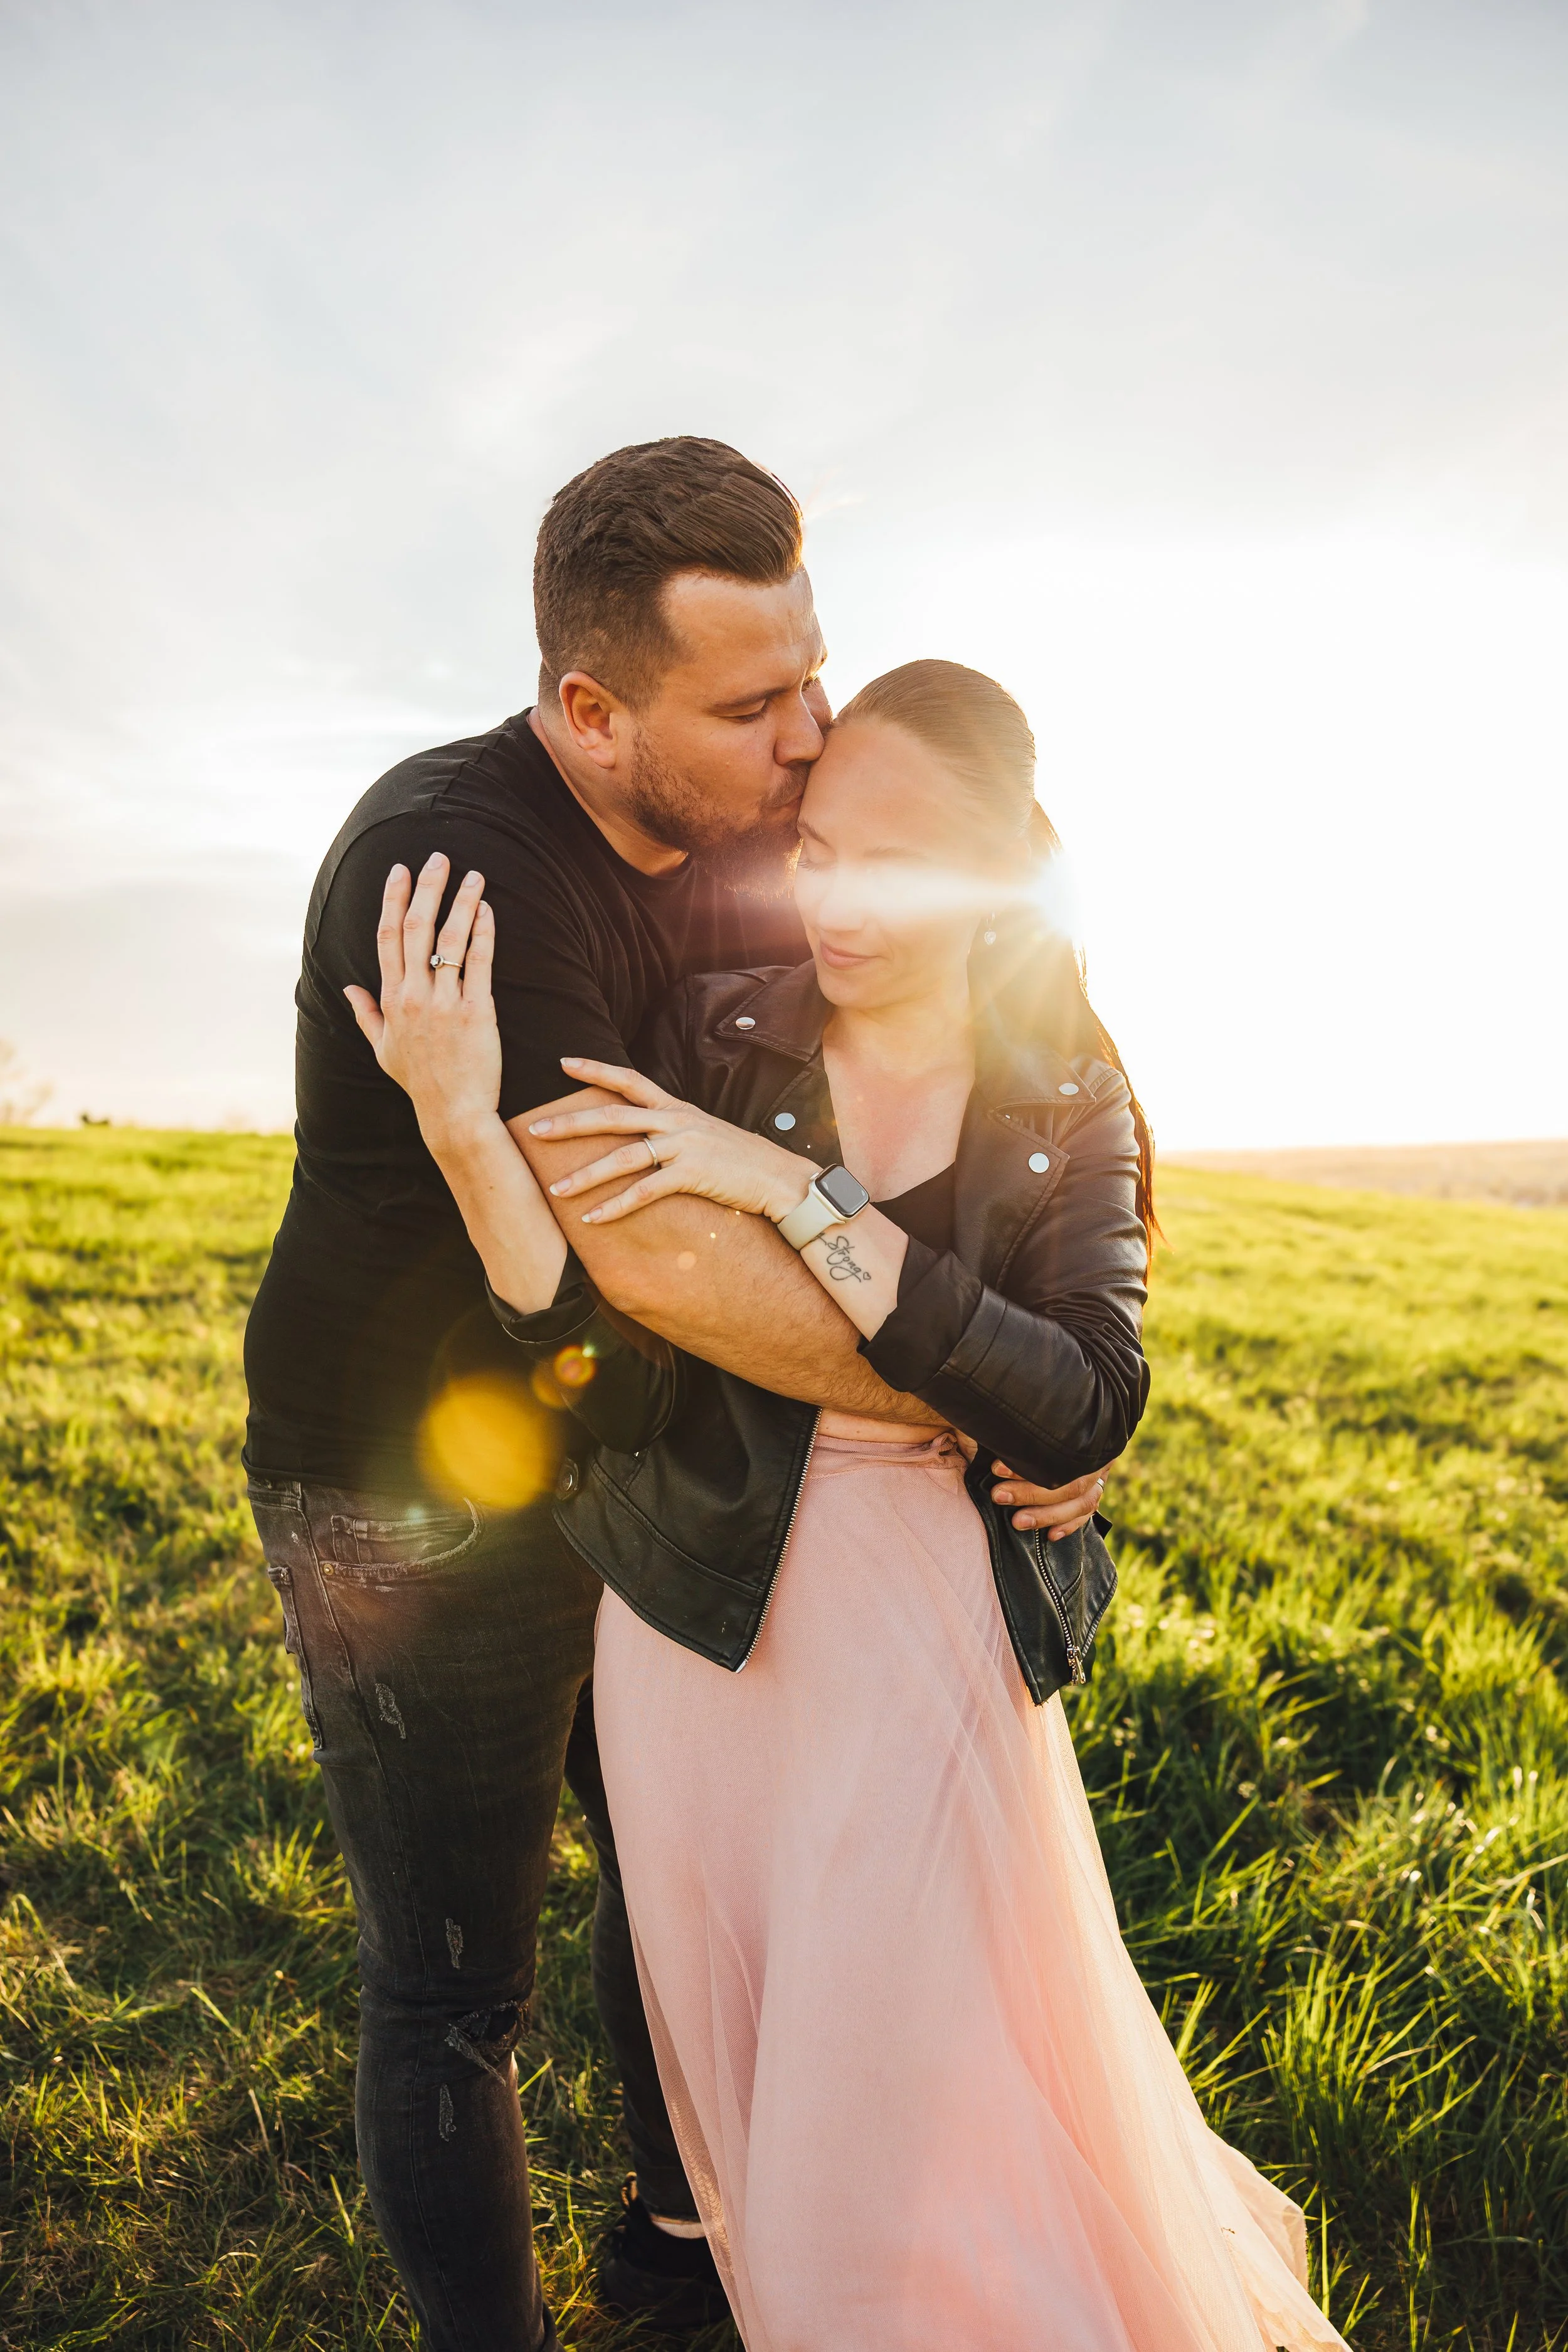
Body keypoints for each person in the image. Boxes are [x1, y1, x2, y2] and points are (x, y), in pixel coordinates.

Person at [353, 657, 1350, 2351]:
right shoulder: (714, 1027)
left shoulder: (1065, 1091)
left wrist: (792, 1188)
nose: (842, 904)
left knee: (902, 2070)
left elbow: (1084, 1396)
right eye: (817, 853)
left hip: (919, 1621)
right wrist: (463, 1128)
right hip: (694, 1622)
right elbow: (612, 1370)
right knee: (747, 2037)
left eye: (899, 864)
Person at [243, 439, 1104, 2350]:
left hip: (626, 1442)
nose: (809, 736)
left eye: (813, 671)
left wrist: (1064, 1362)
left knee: (677, 1871)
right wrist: (995, 1401)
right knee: (454, 1980)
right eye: (751, 703)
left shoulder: (748, 832)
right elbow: (653, 1260)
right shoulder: (455, 863)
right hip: (411, 1483)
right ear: (590, 709)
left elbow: (973, 1012)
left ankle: (680, 2246)